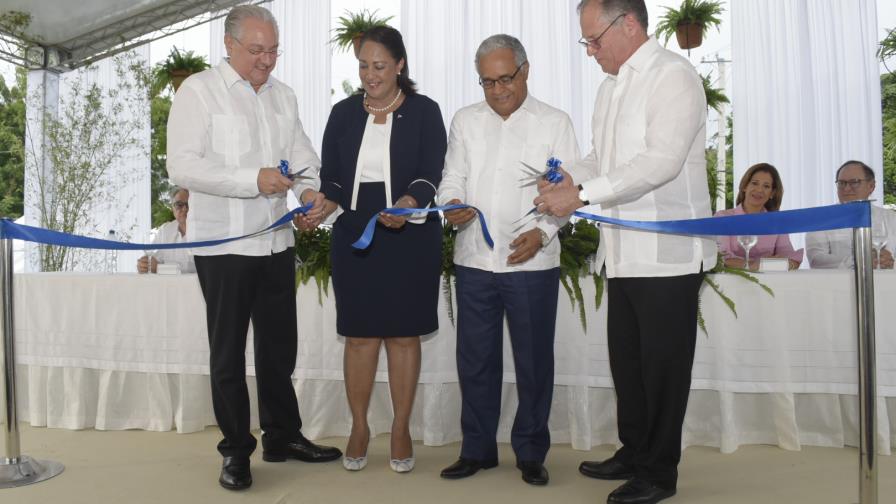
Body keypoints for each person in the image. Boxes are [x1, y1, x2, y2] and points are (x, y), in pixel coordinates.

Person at [534, 1, 717, 502]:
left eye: (594, 40)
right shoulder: (609, 88)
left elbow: (660, 161)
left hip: (668, 255)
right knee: (629, 365)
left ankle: (659, 474)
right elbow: (602, 159)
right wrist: (572, 177)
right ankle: (635, 452)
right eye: (585, 42)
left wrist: (583, 196)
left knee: (662, 370)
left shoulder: (673, 76)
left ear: (629, 24)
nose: (590, 52)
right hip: (622, 254)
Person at [166, 5, 340, 491]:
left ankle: (283, 436)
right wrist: (252, 180)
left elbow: (303, 157)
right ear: (229, 45)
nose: (267, 61)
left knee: (279, 348)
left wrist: (309, 195)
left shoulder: (283, 95)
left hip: (276, 241)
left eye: (274, 50)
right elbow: (182, 167)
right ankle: (236, 451)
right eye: (257, 50)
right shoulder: (198, 92)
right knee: (227, 354)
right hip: (223, 244)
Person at [436, 34, 579, 487]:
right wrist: (451, 202)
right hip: (475, 259)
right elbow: (451, 176)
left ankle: (531, 451)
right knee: (475, 360)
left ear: (526, 70)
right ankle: (476, 449)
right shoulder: (465, 120)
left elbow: (568, 192)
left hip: (531, 262)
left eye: (505, 79)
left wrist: (545, 232)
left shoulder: (555, 122)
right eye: (486, 82)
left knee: (534, 360)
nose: (497, 90)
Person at [314, 26, 446, 474]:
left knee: (405, 335)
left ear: (400, 65)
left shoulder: (426, 111)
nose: (371, 75)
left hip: (410, 233)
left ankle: (402, 427)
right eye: (364, 66)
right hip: (357, 233)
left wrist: (410, 203)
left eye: (380, 66)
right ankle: (358, 426)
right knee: (360, 336)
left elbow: (431, 174)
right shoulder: (342, 113)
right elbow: (331, 178)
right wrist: (319, 203)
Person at [807, 160, 896, 269]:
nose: (847, 188)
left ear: (871, 186)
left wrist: (891, 262)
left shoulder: (891, 218)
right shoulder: (820, 219)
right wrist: (859, 260)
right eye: (842, 183)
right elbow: (816, 260)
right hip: (838, 284)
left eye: (854, 182)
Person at [714, 163, 803, 270]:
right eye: (755, 183)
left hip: (770, 283)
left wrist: (776, 264)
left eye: (766, 186)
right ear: (745, 186)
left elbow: (790, 258)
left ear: (772, 193)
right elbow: (722, 258)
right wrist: (755, 265)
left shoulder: (777, 222)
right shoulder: (722, 218)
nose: (759, 190)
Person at [137, 187, 195, 274]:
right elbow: (153, 261)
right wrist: (144, 265)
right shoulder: (165, 230)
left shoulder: (206, 232)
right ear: (172, 208)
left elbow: (203, 271)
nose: (184, 209)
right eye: (179, 205)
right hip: (168, 286)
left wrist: (159, 268)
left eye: (189, 204)